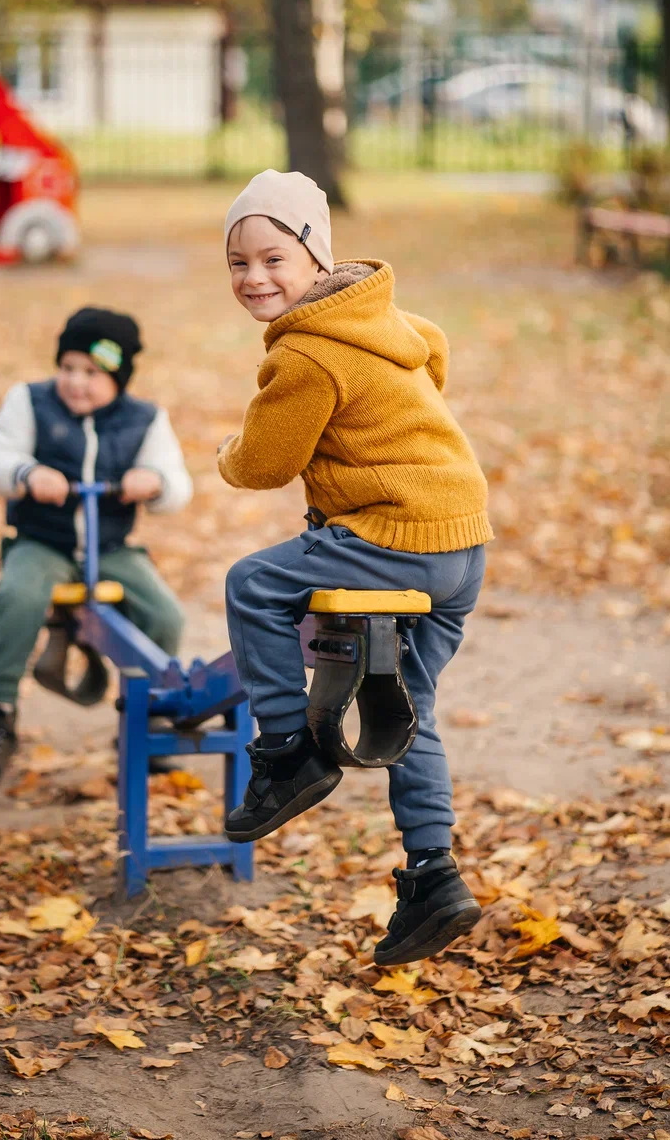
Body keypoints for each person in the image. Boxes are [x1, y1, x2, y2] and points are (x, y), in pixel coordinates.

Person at [217, 170, 493, 967]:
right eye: (237, 263)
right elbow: (433, 349)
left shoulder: (307, 351)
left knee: (252, 584)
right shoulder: (384, 321)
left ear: (315, 255)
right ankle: (433, 876)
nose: (254, 277)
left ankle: (285, 754)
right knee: (407, 705)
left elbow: (264, 463)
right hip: (462, 544)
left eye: (272, 258)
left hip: (396, 534)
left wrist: (226, 454)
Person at [0, 306, 192, 789]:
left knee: (165, 615)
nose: (75, 382)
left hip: (109, 547)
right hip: (42, 541)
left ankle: (148, 715)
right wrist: (26, 473)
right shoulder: (30, 402)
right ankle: (0, 711)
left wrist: (153, 482)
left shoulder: (145, 420)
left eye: (92, 372)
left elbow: (177, 485)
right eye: (67, 368)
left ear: (118, 378)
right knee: (17, 596)